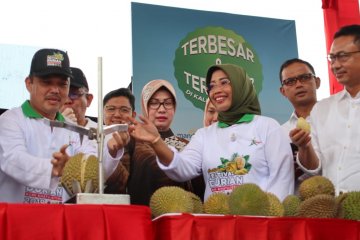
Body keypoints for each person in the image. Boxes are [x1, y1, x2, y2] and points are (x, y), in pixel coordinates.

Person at [129, 64, 294, 201]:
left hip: (260, 225)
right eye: (211, 86)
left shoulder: (268, 127)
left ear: (240, 85)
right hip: (215, 226)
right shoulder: (204, 135)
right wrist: (157, 140)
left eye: (224, 82)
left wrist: (268, 220)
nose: (216, 90)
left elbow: (282, 180)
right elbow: (181, 169)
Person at [0, 48, 128, 203]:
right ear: (29, 83)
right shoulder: (10, 120)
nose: (55, 90)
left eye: (62, 84)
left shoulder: (74, 129)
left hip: (60, 221)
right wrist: (53, 169)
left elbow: (91, 171)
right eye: (46, 82)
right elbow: (13, 159)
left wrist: (111, 151)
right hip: (17, 221)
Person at [291, 24, 360, 195]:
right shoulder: (321, 109)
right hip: (332, 211)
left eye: (342, 56)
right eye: (332, 58)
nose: (335, 65)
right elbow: (314, 169)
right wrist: (304, 147)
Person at [127, 79, 194, 205]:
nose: (162, 109)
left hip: (179, 217)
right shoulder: (132, 140)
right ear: (144, 106)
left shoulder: (187, 144)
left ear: (174, 108)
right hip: (142, 217)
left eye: (168, 103)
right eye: (154, 103)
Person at [279, 58, 321, 191]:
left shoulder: (340, 119)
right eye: (290, 81)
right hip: (298, 208)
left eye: (304, 77)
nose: (298, 85)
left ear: (317, 82)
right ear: (283, 91)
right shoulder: (280, 133)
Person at [103, 88, 136, 194]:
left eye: (124, 110)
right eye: (111, 109)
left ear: (133, 115)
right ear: (102, 112)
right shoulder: (90, 138)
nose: (117, 114)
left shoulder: (141, 144)